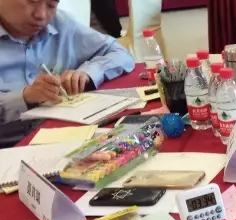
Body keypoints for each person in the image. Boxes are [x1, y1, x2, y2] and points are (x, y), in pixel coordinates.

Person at [0, 0, 135, 147]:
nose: (41, 15)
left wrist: (87, 73)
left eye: (51, 5)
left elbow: (120, 53)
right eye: (32, 1)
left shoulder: (61, 24)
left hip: (64, 136)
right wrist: (25, 97)